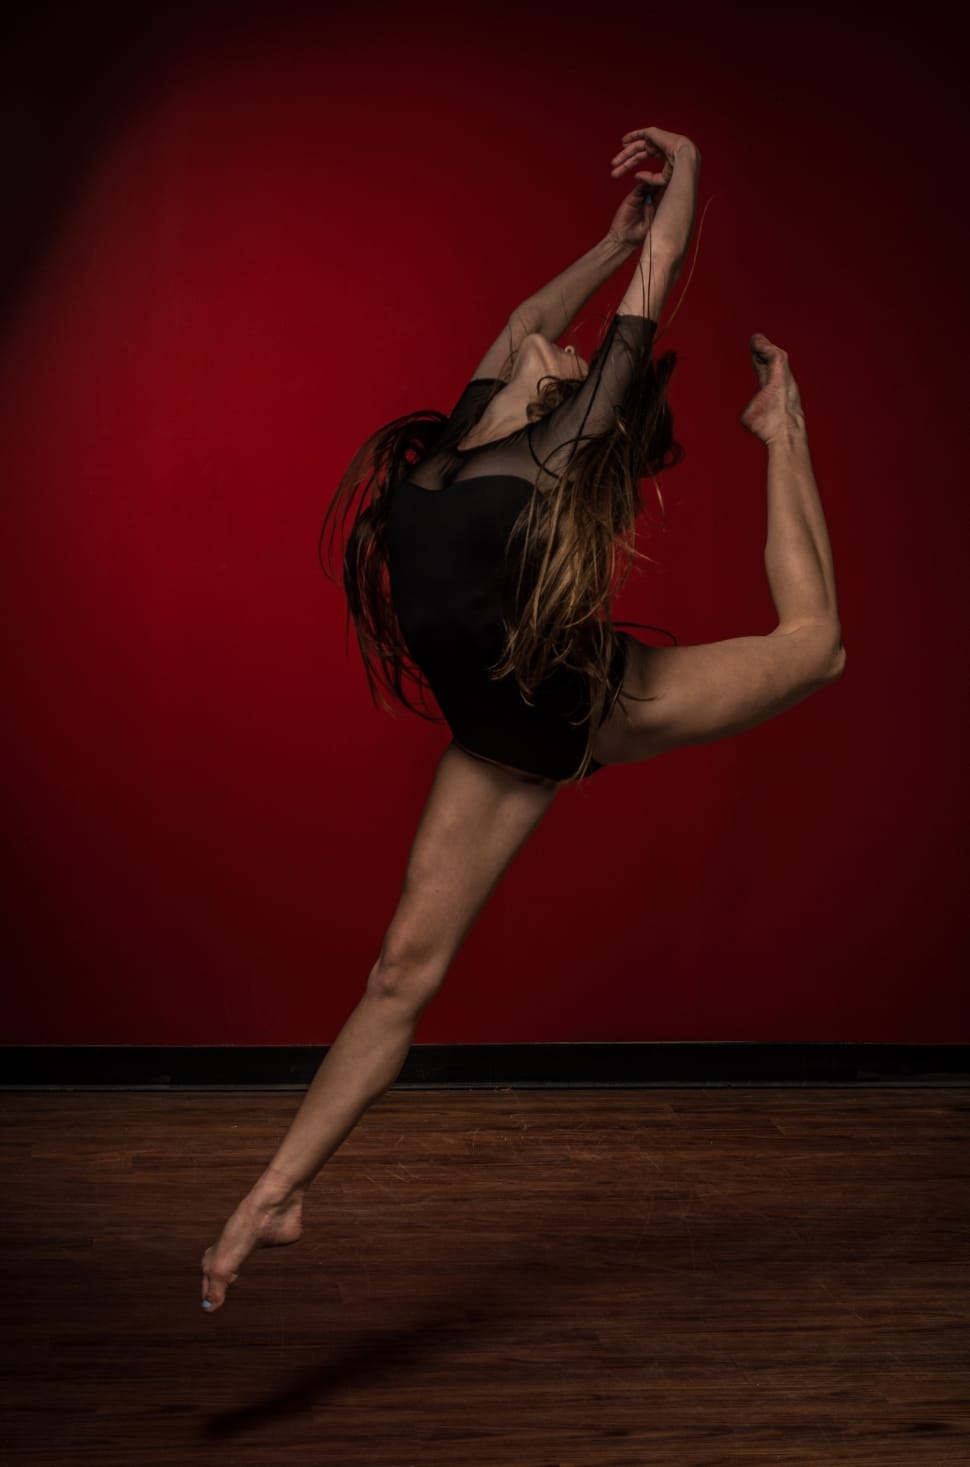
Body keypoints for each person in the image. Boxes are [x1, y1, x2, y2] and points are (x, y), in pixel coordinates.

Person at [200, 126, 845, 1311]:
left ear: (569, 399)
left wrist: (688, 167)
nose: (546, 347)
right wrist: (607, 242)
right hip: (497, 738)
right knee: (399, 973)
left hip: (574, 707)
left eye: (563, 358)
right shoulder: (454, 447)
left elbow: (656, 287)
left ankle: (782, 434)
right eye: (545, 353)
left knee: (814, 651)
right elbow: (517, 319)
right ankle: (272, 1199)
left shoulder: (554, 450)